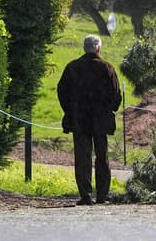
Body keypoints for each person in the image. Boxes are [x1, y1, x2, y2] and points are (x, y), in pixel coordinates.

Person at [57, 34, 122, 205]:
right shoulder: (107, 68)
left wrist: (69, 110)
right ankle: (102, 194)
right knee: (102, 156)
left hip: (79, 119)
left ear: (84, 48)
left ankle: (85, 194)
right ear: (98, 48)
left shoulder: (72, 68)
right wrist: (110, 109)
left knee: (82, 156)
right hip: (100, 120)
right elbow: (116, 95)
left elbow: (61, 91)